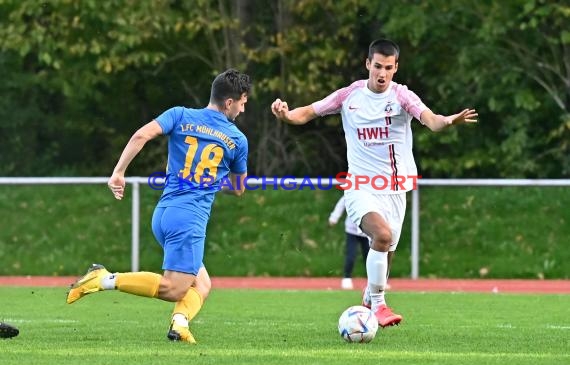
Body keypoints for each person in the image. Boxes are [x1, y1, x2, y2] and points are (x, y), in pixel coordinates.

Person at [271, 39, 477, 328]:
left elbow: (431, 120)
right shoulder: (349, 96)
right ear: (368, 64)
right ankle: (379, 305)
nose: (382, 73)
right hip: (360, 186)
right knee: (381, 236)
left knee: (386, 251)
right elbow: (308, 112)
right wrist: (286, 114)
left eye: (388, 68)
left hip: (395, 189)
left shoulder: (403, 97)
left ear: (396, 68)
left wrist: (450, 121)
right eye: (377, 66)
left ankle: (369, 298)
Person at [66, 68, 252, 343]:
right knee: (173, 289)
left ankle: (179, 325)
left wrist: (118, 172)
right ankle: (104, 278)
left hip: (164, 214)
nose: (243, 109)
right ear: (229, 102)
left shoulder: (179, 114)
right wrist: (213, 181)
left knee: (201, 283)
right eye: (243, 102)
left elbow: (141, 136)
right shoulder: (237, 139)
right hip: (189, 219)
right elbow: (238, 189)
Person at [328, 195, 369, 290]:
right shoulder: (351, 193)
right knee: (351, 255)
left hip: (368, 232)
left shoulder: (372, 194)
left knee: (370, 257)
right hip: (352, 231)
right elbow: (341, 204)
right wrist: (334, 218)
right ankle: (347, 278)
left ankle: (375, 281)